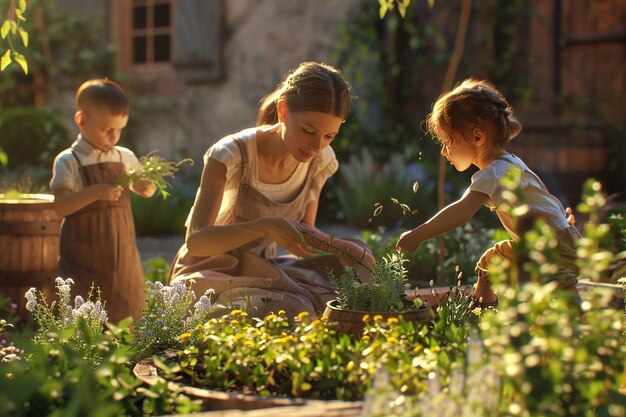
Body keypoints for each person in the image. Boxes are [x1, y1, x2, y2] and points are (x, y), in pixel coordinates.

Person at [168, 62, 375, 319]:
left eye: (329, 136)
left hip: (265, 268)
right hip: (212, 270)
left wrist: (341, 248)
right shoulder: (231, 155)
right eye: (308, 131)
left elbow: (304, 235)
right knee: (291, 308)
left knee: (357, 273)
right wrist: (264, 226)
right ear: (283, 111)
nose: (316, 146)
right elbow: (196, 242)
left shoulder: (321, 161)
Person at [396, 78, 581, 307]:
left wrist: (418, 234)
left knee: (561, 290)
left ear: (477, 137)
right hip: (546, 239)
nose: (444, 152)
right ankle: (481, 309)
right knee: (491, 264)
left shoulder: (495, 172)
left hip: (551, 245)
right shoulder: (508, 163)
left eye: (447, 142)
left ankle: (585, 331)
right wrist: (560, 220)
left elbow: (461, 212)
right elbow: (541, 198)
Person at [50, 78, 156, 323]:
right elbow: (61, 206)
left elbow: (146, 190)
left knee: (127, 297)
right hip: (83, 247)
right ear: (81, 120)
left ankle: (127, 351)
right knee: (84, 301)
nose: (113, 136)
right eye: (107, 129)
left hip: (121, 245)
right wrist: (95, 192)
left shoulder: (124, 156)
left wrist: (146, 185)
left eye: (119, 129)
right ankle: (86, 350)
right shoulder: (69, 160)